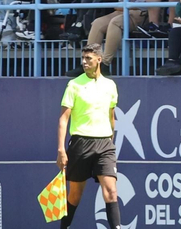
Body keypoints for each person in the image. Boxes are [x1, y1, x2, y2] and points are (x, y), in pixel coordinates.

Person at [56, 43, 121, 229]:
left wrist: (111, 140)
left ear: (99, 59)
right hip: (80, 143)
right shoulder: (74, 85)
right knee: (75, 195)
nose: (84, 62)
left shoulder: (110, 85)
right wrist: (61, 149)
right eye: (83, 58)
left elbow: (111, 116)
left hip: (105, 144)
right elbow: (63, 119)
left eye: (89, 58)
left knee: (111, 191)